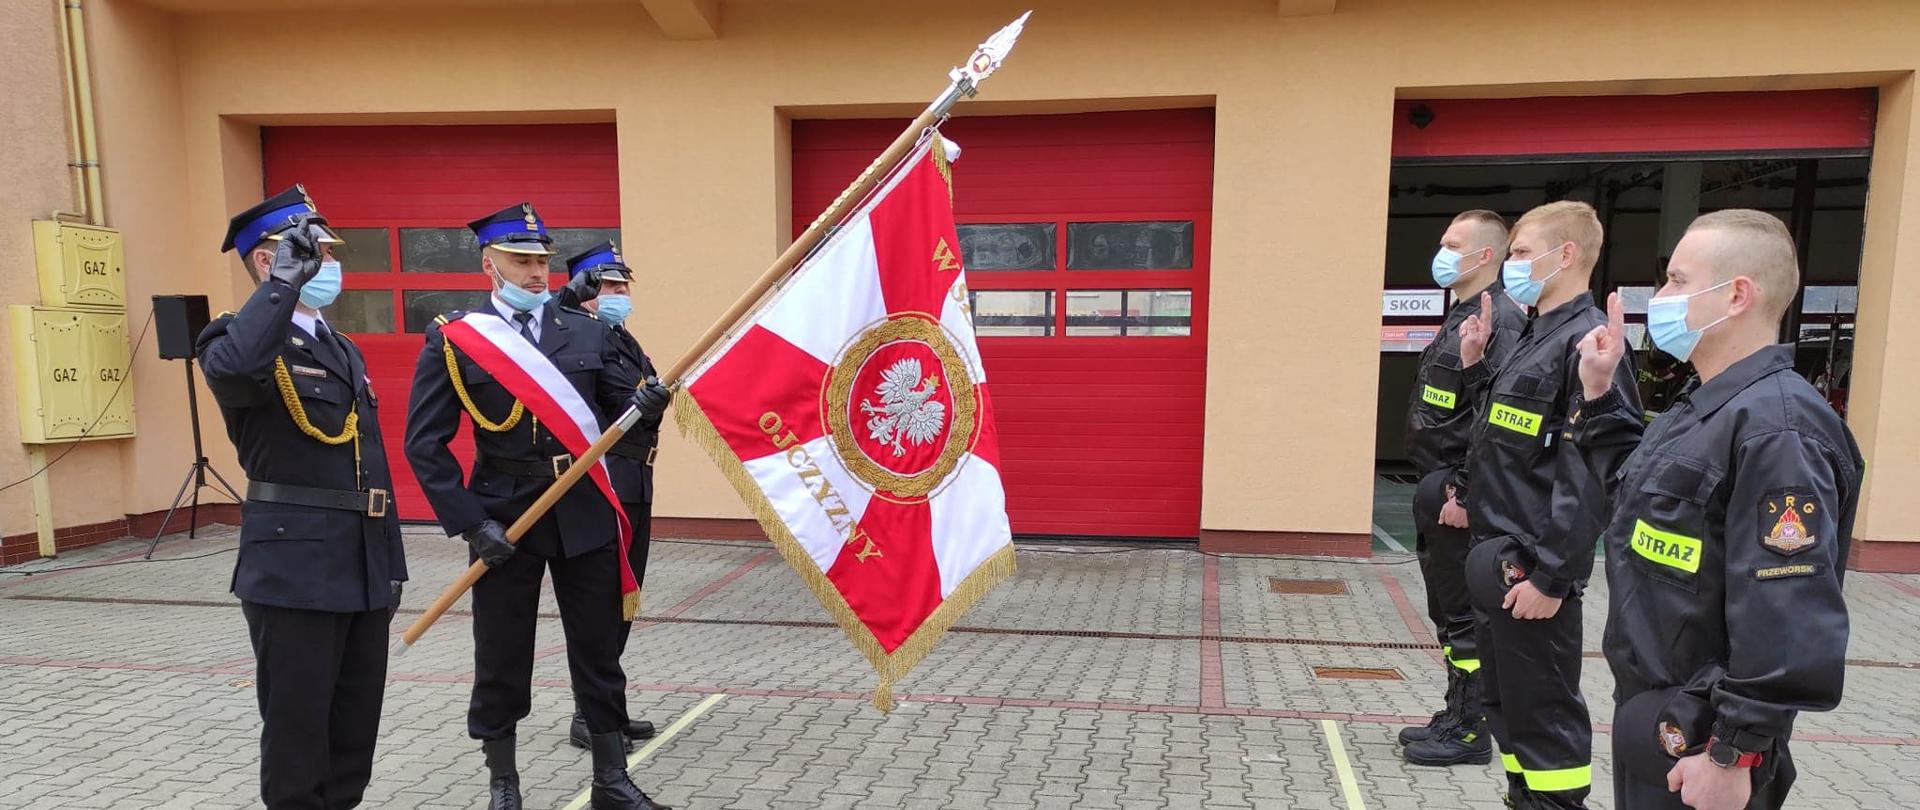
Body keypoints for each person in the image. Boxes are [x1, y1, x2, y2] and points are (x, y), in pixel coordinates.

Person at [1569, 210, 1861, 810]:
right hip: (1662, 718)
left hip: (1709, 741)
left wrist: (1736, 752)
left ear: (1736, 295)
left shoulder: (1778, 429)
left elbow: (1786, 606)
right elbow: (1633, 500)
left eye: (1677, 280)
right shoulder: (1701, 407)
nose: (1664, 297)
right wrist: (1599, 395)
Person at [403, 203, 673, 810]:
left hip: (582, 508)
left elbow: (617, 423)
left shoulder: (586, 330)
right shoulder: (457, 338)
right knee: (501, 652)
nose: (534, 273)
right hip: (506, 516)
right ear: (488, 264)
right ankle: (503, 782)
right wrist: (473, 524)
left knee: (599, 647)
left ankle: (611, 779)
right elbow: (425, 444)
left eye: (541, 262)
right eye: (520, 261)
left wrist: (646, 407)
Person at [198, 185, 407, 809]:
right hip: (294, 568)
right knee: (298, 733)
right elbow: (236, 374)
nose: (332, 262)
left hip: (361, 564)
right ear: (271, 259)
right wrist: (282, 286)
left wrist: (390, 565)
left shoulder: (339, 347)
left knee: (352, 733)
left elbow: (372, 463)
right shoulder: (233, 339)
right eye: (316, 249)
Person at [1457, 200, 1641, 809]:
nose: (1510, 265)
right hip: (1497, 558)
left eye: (1519, 253)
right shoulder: (1533, 335)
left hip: (1533, 572)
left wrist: (1554, 577)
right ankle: (1524, 799)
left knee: (1545, 714)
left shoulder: (1590, 344)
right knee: (1506, 707)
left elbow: (1591, 471)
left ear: (1565, 255)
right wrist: (1477, 367)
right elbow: (1513, 442)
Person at [1399, 210, 1525, 767]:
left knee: (1467, 615)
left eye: (1454, 244)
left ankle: (1472, 730)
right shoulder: (1463, 317)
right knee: (1447, 612)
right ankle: (1457, 709)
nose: (1442, 253)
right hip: (1438, 491)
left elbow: (1495, 415)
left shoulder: (1501, 320)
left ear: (1484, 257)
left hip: (1457, 497)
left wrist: (1465, 490)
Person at [556, 239, 661, 750]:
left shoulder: (623, 340)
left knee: (623, 600)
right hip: (607, 483)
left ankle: (608, 709)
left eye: (623, 285)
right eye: (610, 286)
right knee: (599, 602)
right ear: (588, 292)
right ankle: (587, 716)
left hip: (636, 479)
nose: (621, 293)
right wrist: (567, 299)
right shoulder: (578, 337)